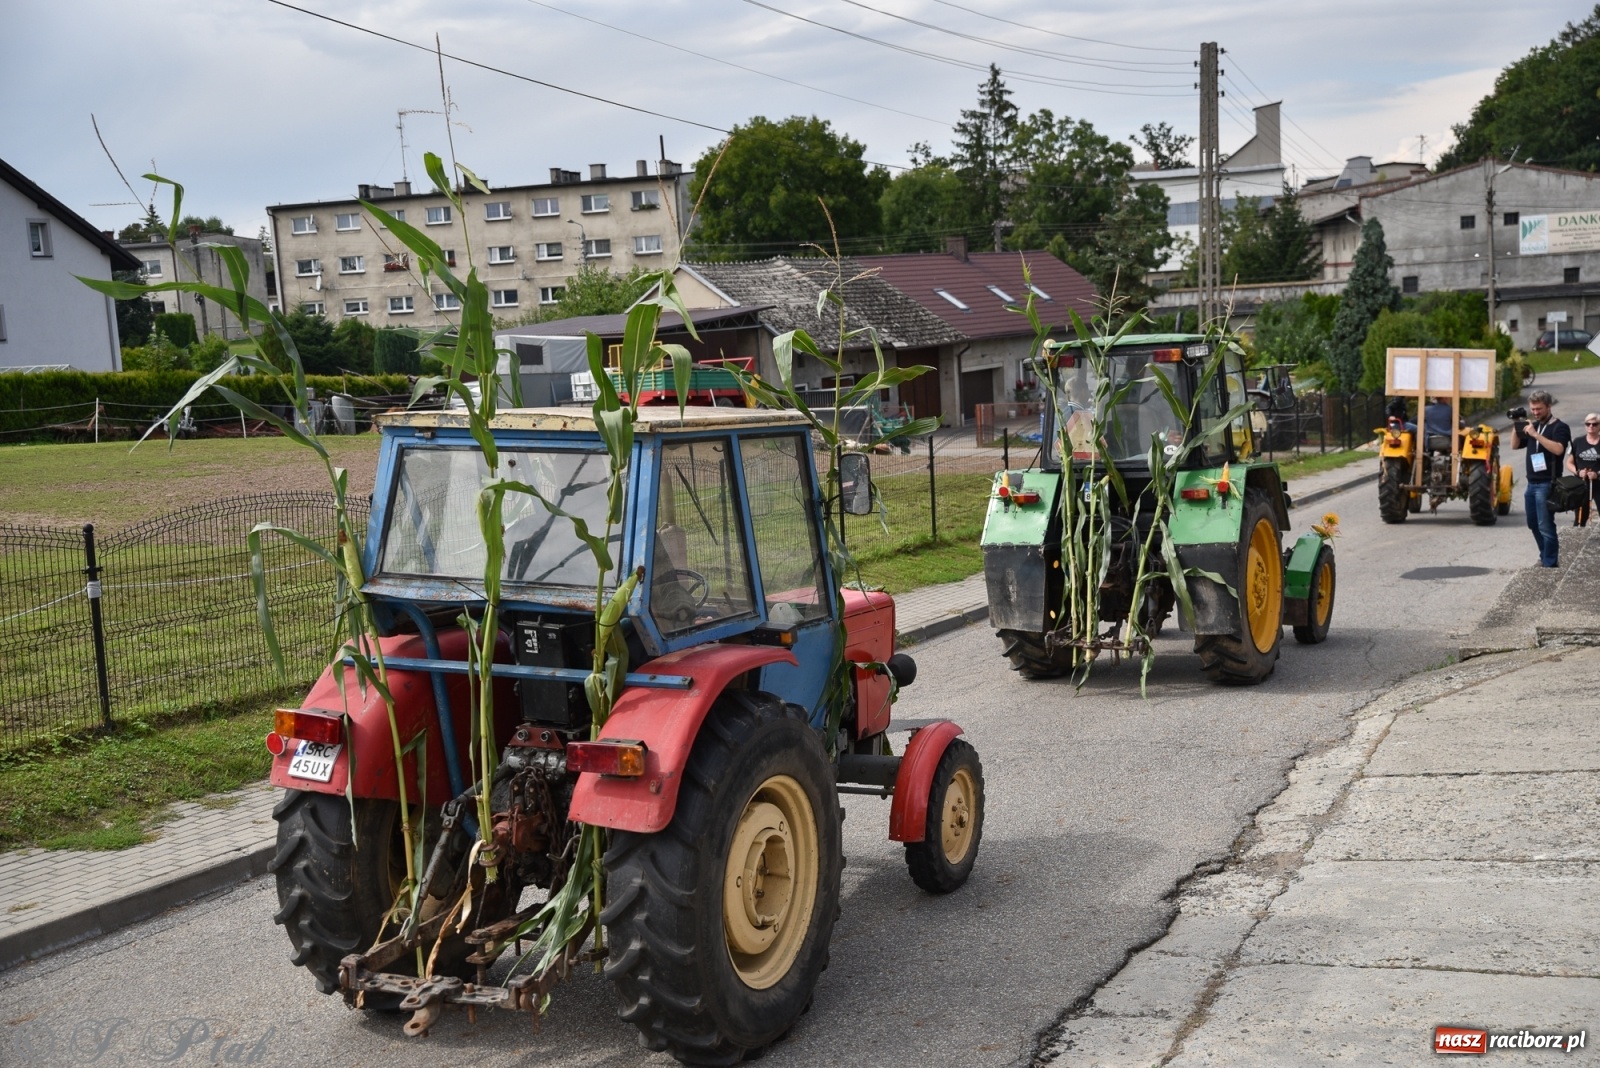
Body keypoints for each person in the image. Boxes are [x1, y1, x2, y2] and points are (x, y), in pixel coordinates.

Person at [1511, 390, 1571, 567]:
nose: (1536, 413)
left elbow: (1559, 449)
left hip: (1547, 483)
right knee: (1533, 524)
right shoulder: (1532, 425)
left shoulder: (1560, 427)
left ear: (1549, 407)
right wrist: (1517, 424)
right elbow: (1514, 446)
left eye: (1539, 409)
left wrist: (1536, 435)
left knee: (1545, 525)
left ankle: (1550, 563)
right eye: (1533, 409)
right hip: (1531, 483)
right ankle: (1544, 555)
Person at [1567, 411, 1600, 527]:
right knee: (1580, 516)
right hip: (1582, 484)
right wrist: (1578, 472)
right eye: (1588, 424)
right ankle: (1578, 539)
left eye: (1594, 424)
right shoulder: (1578, 442)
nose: (1591, 426)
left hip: (1598, 484)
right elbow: (1569, 462)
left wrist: (1597, 474)